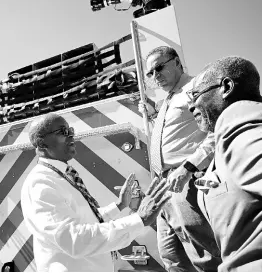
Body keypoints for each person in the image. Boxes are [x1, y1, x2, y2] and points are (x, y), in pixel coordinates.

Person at [21, 112, 171, 272]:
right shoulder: (41, 184)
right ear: (41, 144)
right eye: (63, 132)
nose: (72, 135)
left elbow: (84, 222)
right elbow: (75, 240)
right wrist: (140, 219)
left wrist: (120, 206)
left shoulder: (60, 175)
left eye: (70, 130)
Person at [139, 46, 221, 271]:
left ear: (176, 62)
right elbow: (176, 135)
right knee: (172, 258)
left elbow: (217, 130)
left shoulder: (195, 87)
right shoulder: (169, 99)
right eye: (150, 73)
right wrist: (154, 114)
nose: (155, 76)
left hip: (186, 180)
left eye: (159, 68)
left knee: (204, 256)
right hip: (164, 184)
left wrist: (188, 167)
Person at [187, 56, 262, 271]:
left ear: (226, 87)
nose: (191, 106)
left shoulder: (243, 129)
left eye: (196, 95)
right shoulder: (231, 138)